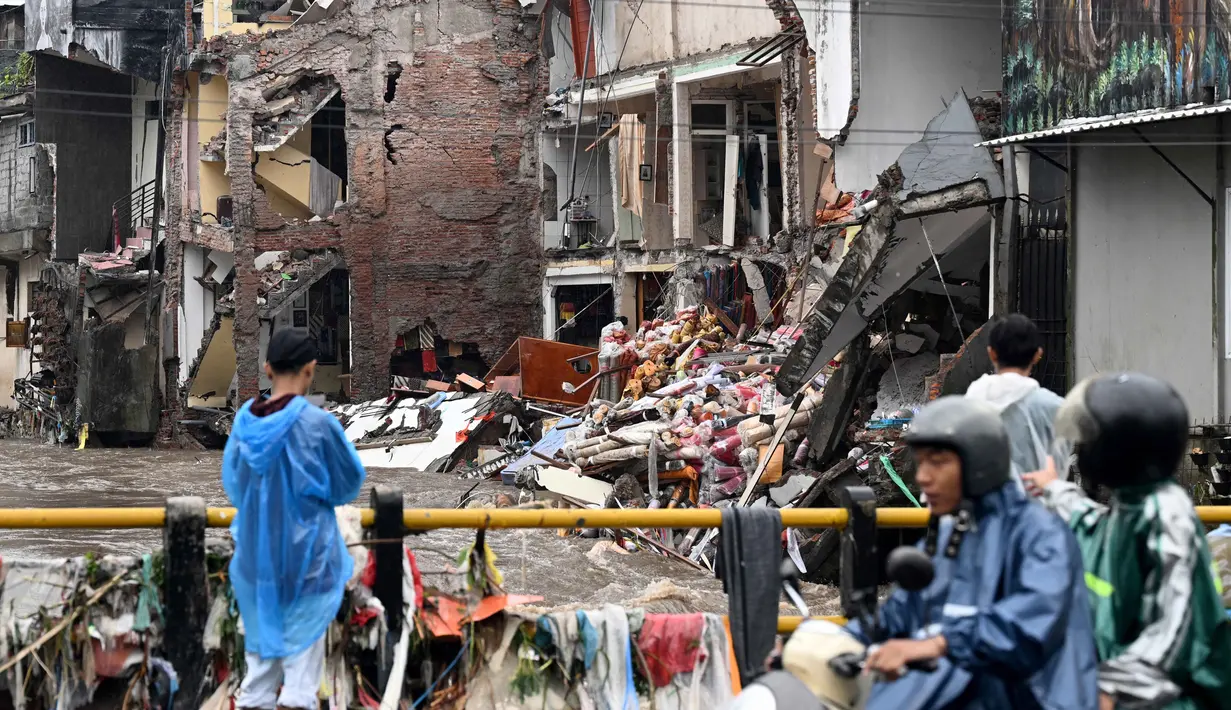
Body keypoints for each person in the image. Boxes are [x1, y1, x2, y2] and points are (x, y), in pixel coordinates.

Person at [851, 396, 1098, 710]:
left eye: (937, 462)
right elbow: (903, 612)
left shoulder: (1039, 534)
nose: (923, 477)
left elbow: (1027, 626)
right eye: (921, 462)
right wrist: (835, 639)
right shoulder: (949, 536)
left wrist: (937, 645)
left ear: (978, 464)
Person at [1023, 373, 1231, 710]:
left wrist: (1107, 690)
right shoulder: (1128, 508)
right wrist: (1052, 488)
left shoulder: (1167, 513)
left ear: (1116, 448)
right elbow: (1089, 522)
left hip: (1177, 700)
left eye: (1087, 443)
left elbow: (1171, 633)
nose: (1081, 452)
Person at [223, 328, 367, 710]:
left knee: (257, 678)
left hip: (256, 559)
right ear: (311, 369)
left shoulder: (243, 422)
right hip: (310, 559)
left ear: (267, 370)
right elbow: (348, 482)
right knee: (301, 683)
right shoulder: (318, 423)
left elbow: (234, 486)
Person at [965, 313, 1067, 485]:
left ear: (991, 353)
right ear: (1037, 355)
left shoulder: (972, 398)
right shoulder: (1054, 406)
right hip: (1036, 505)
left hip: (984, 506)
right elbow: (1059, 468)